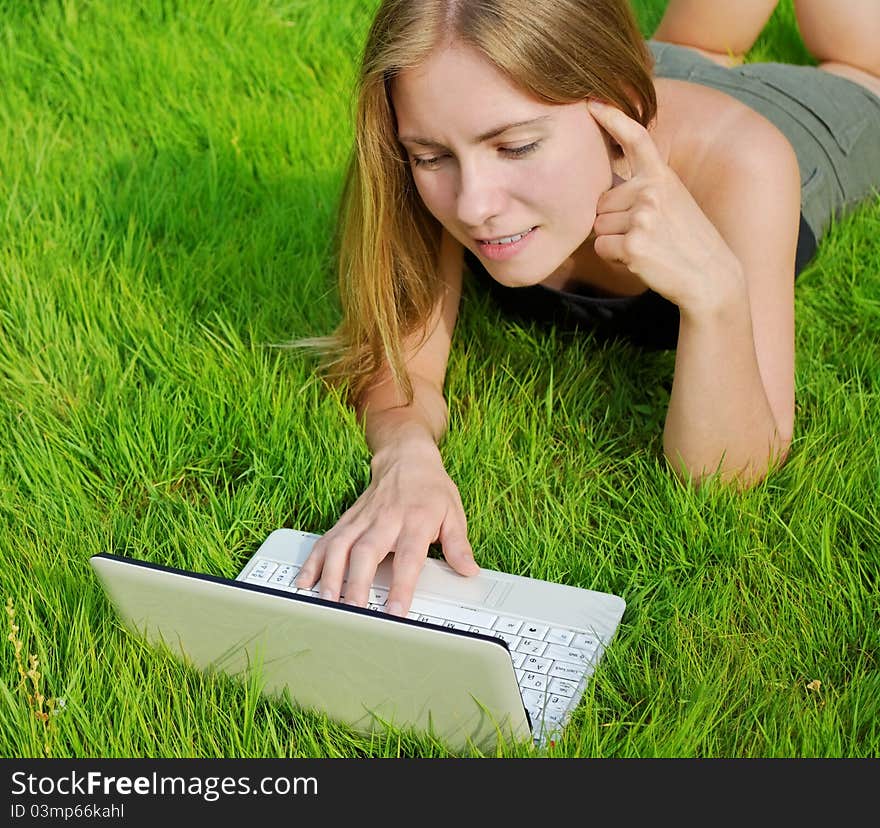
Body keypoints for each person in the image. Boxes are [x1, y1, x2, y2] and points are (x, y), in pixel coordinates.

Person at [294, 0, 880, 615]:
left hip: (797, 112)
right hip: (658, 65)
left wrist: (716, 297)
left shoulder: (744, 163)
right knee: (699, 46)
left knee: (859, 62)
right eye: (432, 157)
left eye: (515, 147)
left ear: (619, 115)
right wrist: (404, 453)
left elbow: (727, 472)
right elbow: (400, 367)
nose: (471, 206)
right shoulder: (451, 111)